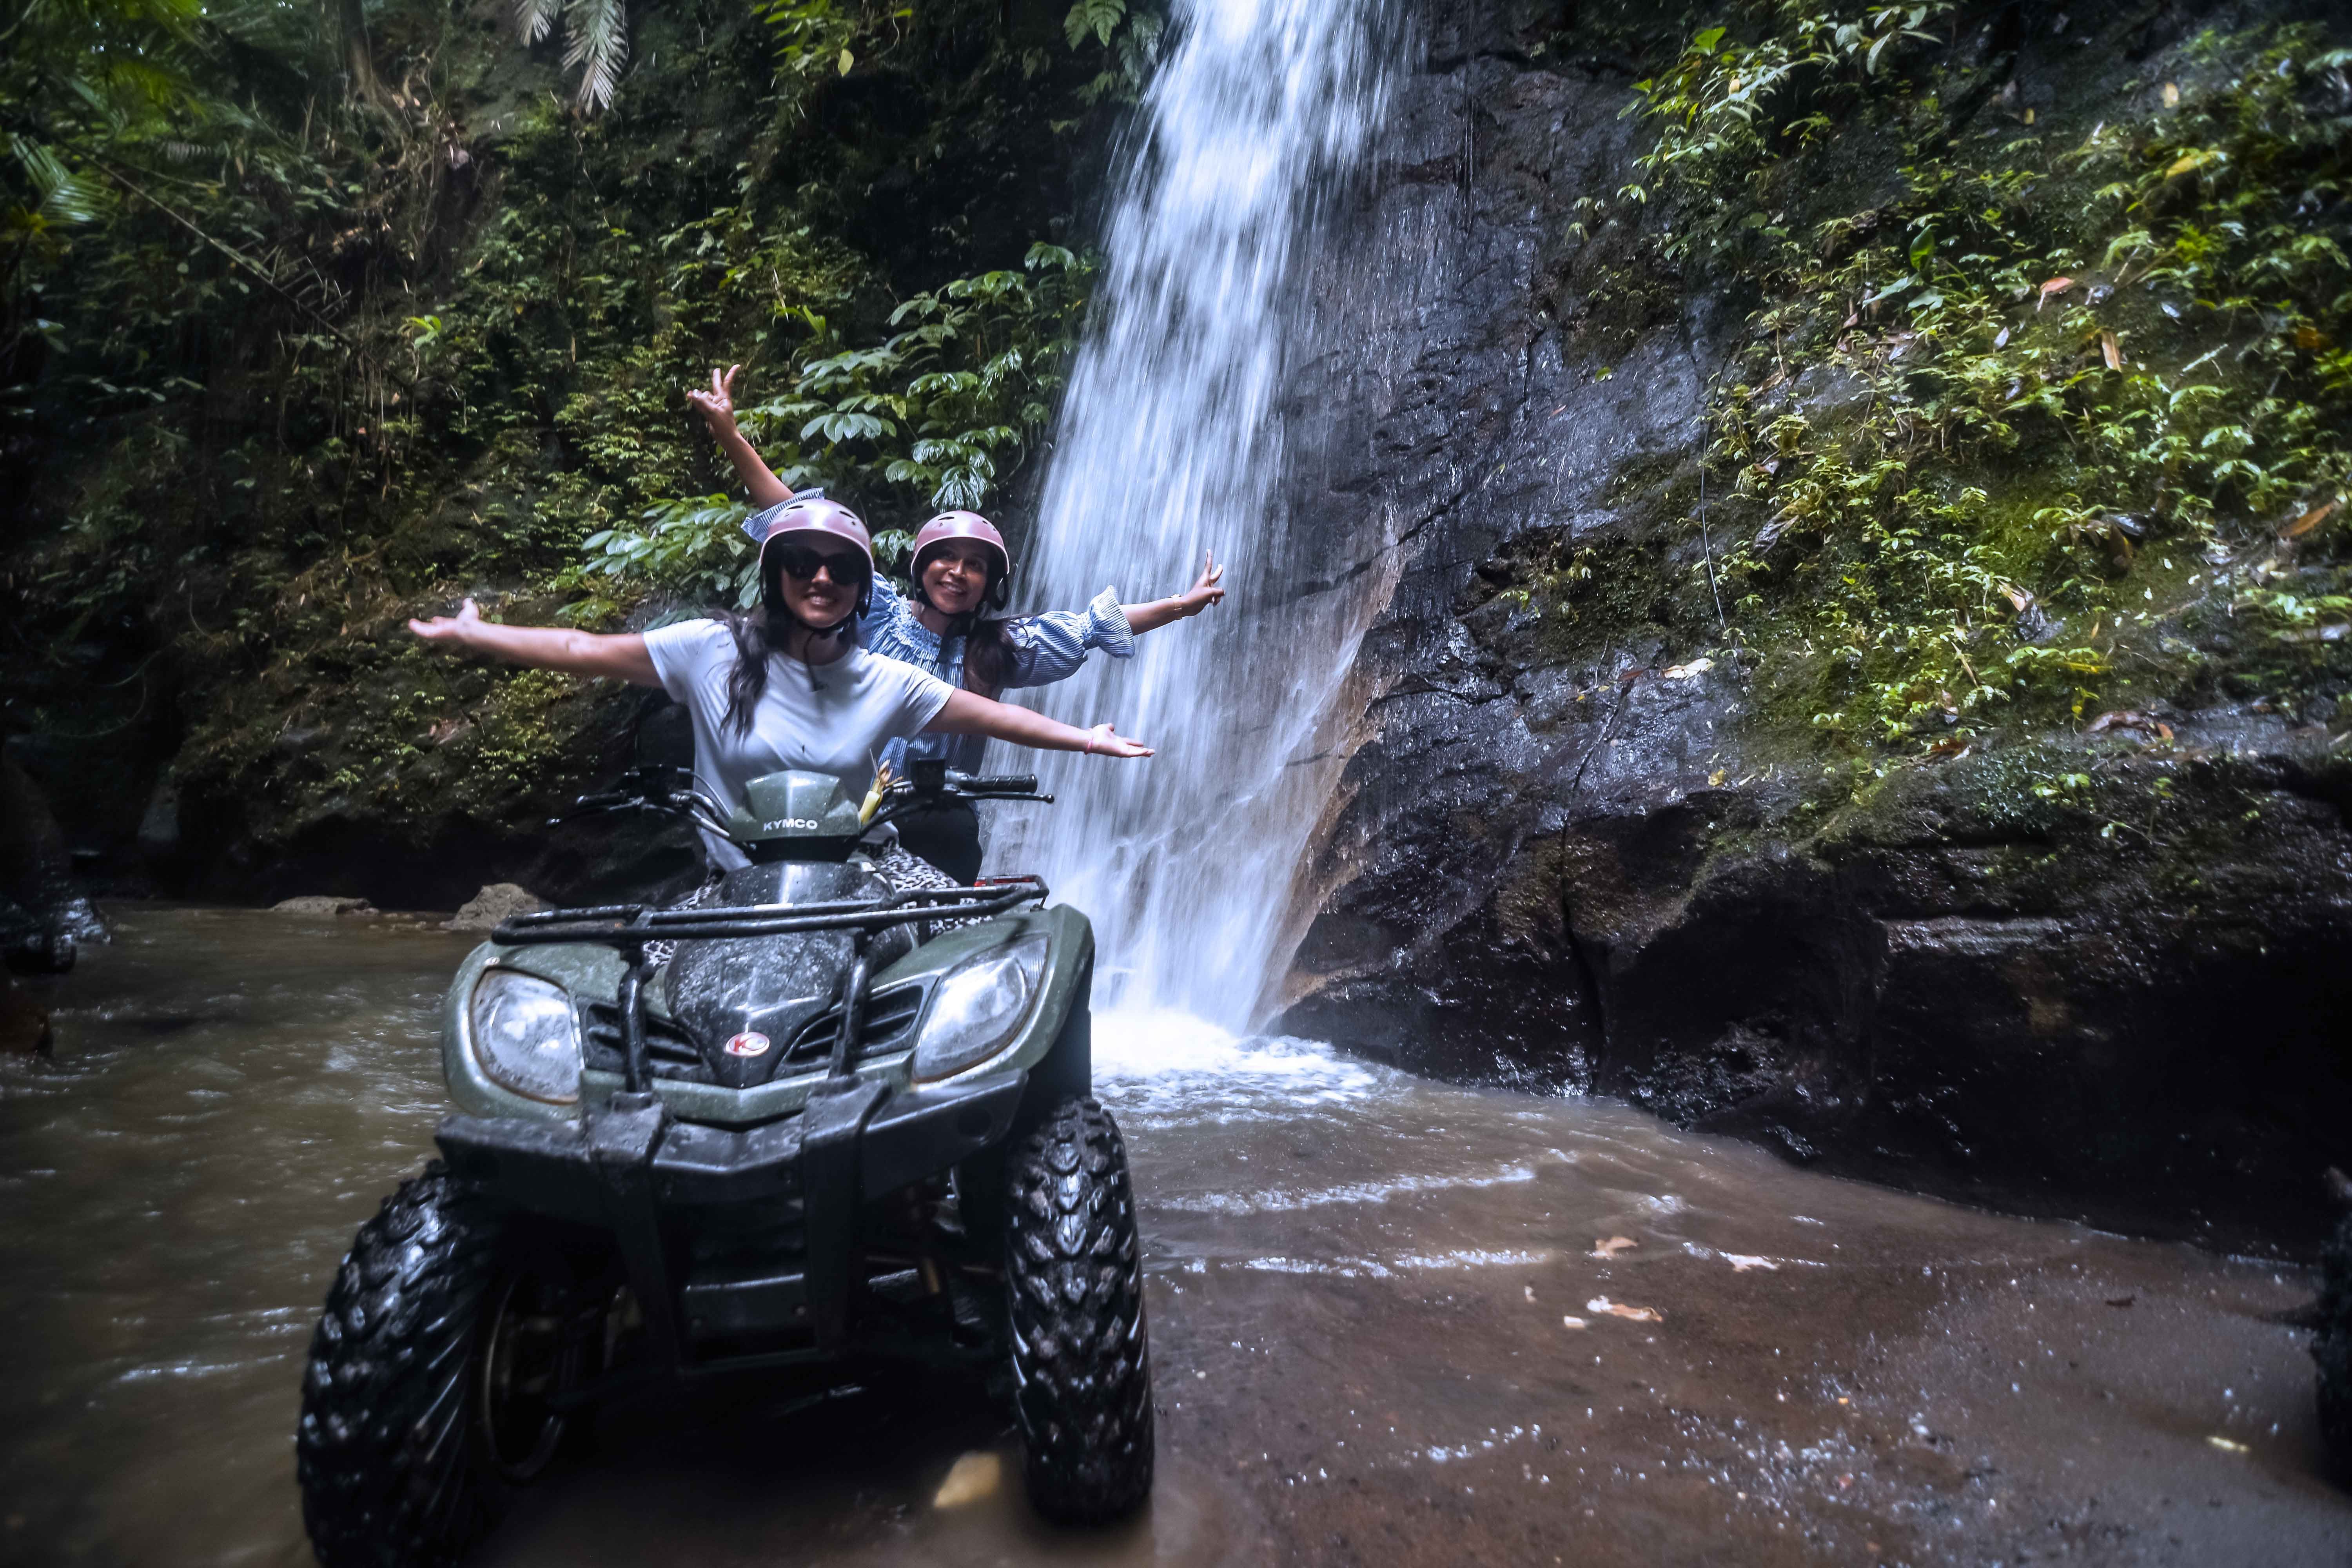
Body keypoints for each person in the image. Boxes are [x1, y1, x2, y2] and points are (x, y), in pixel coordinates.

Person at [406, 496, 1151, 891]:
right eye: (802, 563)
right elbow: (583, 650)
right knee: (635, 999)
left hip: (867, 871)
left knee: (962, 976)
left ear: (864, 591)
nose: (821, 578)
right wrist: (480, 636)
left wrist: (1090, 739)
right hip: (738, 882)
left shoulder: (885, 677)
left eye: (841, 570)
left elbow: (999, 716)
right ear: (776, 574)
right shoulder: (711, 651)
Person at [686, 364, 1221, 878]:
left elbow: (1091, 626)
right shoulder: (876, 615)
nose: (959, 573)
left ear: (990, 585)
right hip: (842, 818)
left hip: (941, 825)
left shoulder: (997, 648)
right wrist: (731, 435)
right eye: (947, 559)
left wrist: (1183, 605)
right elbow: (802, 527)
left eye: (976, 566)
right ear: (922, 569)